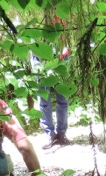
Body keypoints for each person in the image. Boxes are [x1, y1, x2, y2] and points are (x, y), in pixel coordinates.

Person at [36, 10, 71, 149]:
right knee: (44, 98)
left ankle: (61, 132)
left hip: (62, 55)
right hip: (39, 55)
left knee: (63, 96)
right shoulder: (37, 7)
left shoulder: (63, 6)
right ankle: (49, 134)